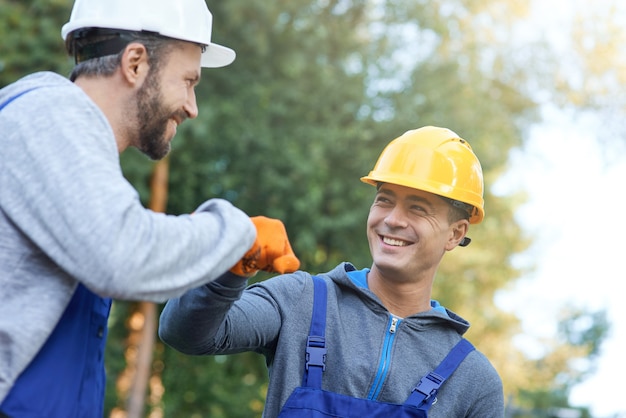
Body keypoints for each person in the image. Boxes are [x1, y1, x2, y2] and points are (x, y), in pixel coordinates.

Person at [0, 0, 299, 416]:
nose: (192, 107)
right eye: (188, 80)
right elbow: (123, 253)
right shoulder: (48, 115)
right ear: (136, 63)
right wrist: (239, 232)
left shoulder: (73, 150)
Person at [159, 126, 505, 418]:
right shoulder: (302, 299)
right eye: (384, 199)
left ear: (456, 233)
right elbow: (184, 334)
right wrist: (230, 270)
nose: (393, 219)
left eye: (417, 208)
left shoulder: (471, 380)